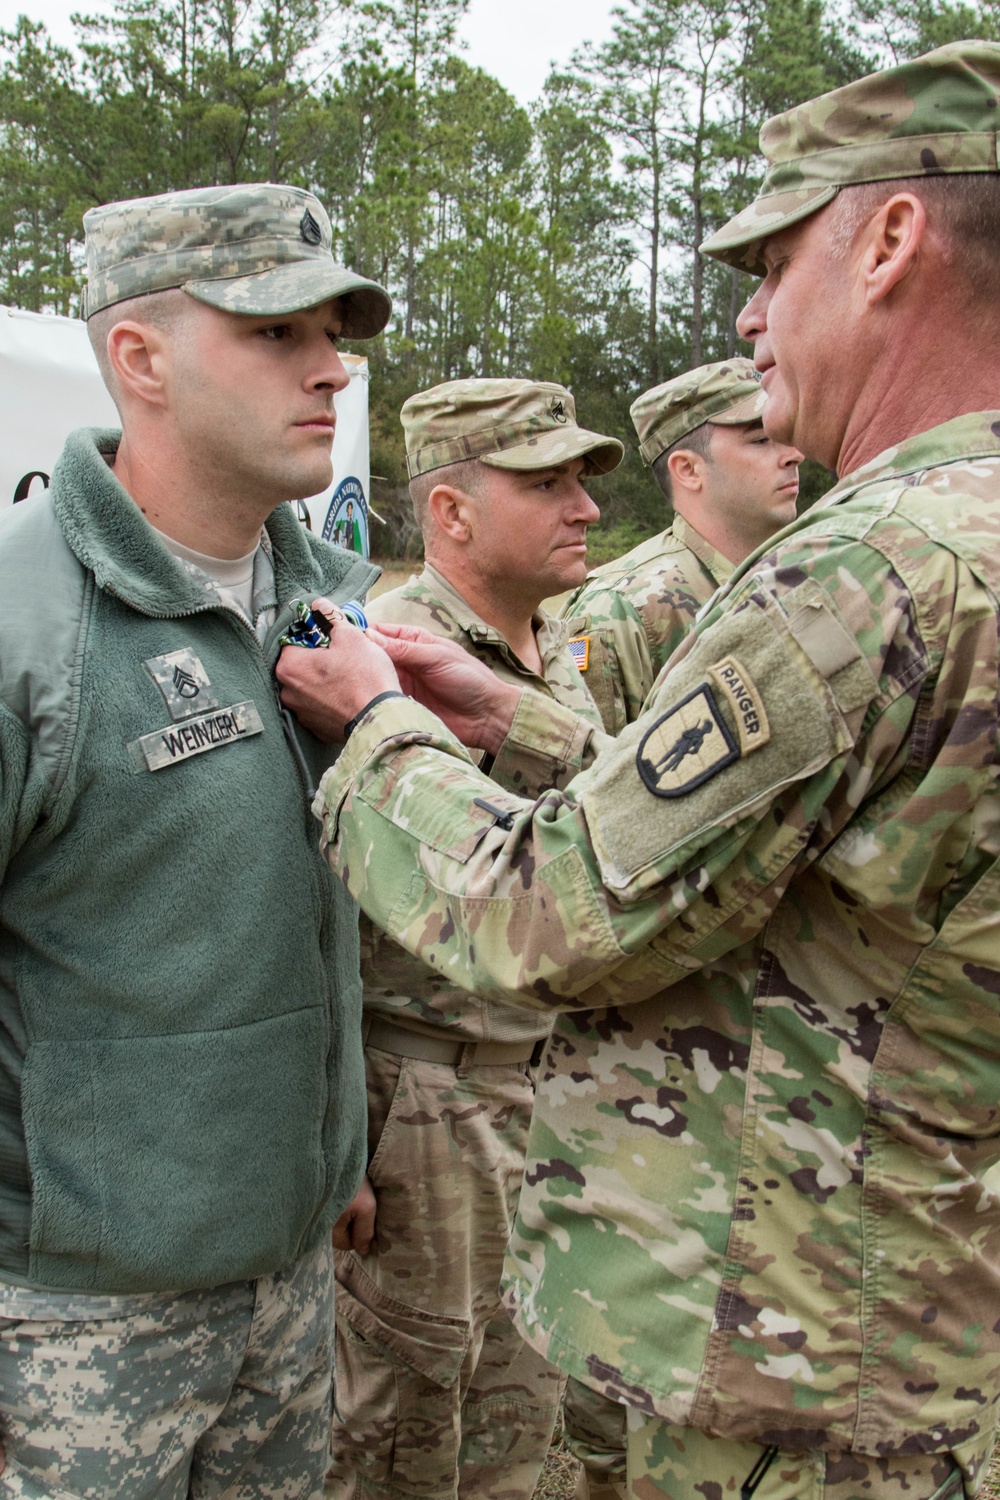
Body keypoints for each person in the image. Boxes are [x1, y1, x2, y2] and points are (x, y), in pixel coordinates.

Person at [278, 40, 1000, 1500]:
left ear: (892, 237)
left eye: (774, 257)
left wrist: (373, 731)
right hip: (913, 1322)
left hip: (795, 1367)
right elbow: (790, 849)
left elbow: (547, 914)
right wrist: (515, 715)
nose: (747, 311)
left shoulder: (875, 568)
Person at [0, 182, 391, 1498]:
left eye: (336, 329)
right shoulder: (26, 636)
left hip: (284, 1289)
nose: (332, 367)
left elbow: (291, 924)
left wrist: (326, 1158)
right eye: (277, 332)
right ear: (140, 359)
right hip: (72, 1324)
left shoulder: (328, 610)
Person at [329, 377, 621, 1500]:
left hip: (548, 1101)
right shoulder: (376, 657)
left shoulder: (560, 649)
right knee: (400, 1437)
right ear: (450, 512)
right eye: (544, 483)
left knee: (516, 1422)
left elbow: (603, 845)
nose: (585, 507)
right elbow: (316, 914)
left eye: (583, 482)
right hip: (421, 1113)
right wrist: (333, 1136)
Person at [559, 363, 801, 1496]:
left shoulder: (776, 584)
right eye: (757, 437)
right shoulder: (630, 609)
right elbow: (583, 831)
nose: (789, 445)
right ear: (689, 469)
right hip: (649, 1042)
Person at [564, 360, 802, 733]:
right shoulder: (620, 611)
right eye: (760, 440)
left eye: (786, 433)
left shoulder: (799, 572)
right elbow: (584, 776)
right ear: (689, 470)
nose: (793, 454)